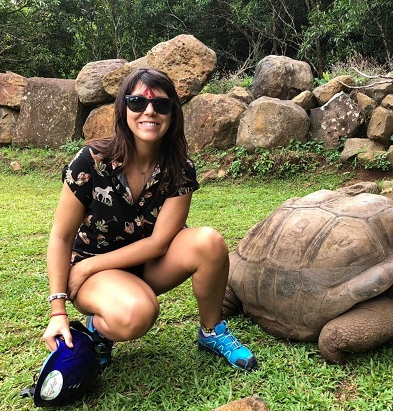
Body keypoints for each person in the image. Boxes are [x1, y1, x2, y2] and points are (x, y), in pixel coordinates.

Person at [42, 67, 257, 373]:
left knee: (209, 242)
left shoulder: (179, 168)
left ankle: (212, 331)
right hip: (94, 273)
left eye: (162, 104)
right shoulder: (90, 162)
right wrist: (58, 310)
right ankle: (99, 329)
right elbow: (61, 237)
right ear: (123, 109)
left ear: (173, 114)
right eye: (138, 103)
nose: (150, 112)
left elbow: (159, 244)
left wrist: (88, 267)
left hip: (142, 263)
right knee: (137, 313)